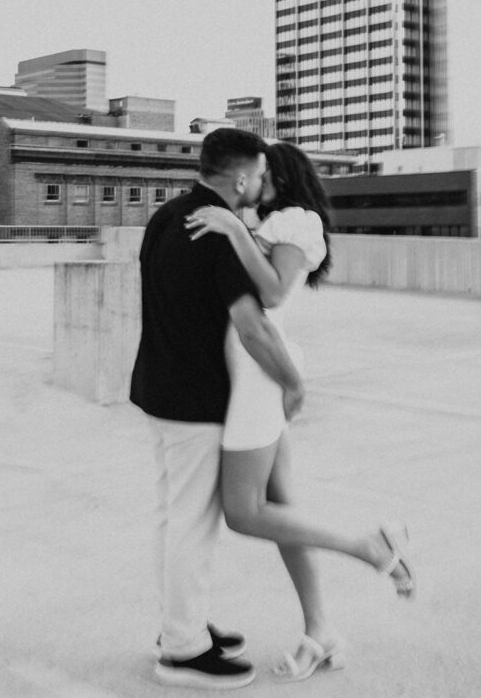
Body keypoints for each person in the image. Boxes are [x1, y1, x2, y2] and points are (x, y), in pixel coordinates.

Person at [184, 141, 415, 682]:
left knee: (244, 512)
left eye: (263, 170)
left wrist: (235, 230)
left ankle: (368, 547)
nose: (255, 178)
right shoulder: (275, 221)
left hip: (260, 377)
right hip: (248, 372)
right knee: (284, 512)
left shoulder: (297, 221)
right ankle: (321, 631)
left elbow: (272, 293)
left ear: (278, 177)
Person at [129, 128, 305, 689]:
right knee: (191, 524)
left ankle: (180, 626)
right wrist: (293, 382)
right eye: (258, 174)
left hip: (160, 388)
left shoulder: (169, 215)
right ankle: (182, 650)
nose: (261, 184)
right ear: (239, 177)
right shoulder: (217, 232)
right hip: (195, 398)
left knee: (174, 517)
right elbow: (253, 326)